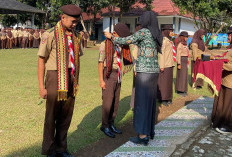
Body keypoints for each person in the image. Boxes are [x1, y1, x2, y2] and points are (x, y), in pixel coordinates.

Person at [105, 11, 163, 145]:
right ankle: (149, 132)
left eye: (141, 19)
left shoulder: (144, 32)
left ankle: (142, 136)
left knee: (142, 104)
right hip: (154, 73)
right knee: (150, 104)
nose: (140, 21)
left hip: (144, 73)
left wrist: (111, 37)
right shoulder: (156, 33)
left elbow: (126, 40)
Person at [38, 4, 82, 157]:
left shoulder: (75, 36)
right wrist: (41, 87)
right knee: (51, 116)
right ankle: (49, 150)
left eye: (77, 21)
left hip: (71, 78)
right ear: (63, 18)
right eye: (73, 21)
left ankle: (61, 148)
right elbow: (41, 60)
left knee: (66, 115)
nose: (75, 24)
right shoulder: (49, 34)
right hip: (54, 77)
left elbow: (77, 57)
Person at [98, 23, 132, 138]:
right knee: (108, 101)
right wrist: (101, 80)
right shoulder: (105, 44)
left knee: (116, 101)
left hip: (118, 74)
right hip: (108, 73)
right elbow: (100, 62)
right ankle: (105, 125)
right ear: (115, 33)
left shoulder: (120, 45)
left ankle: (111, 123)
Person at [211, 27, 232, 134]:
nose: (228, 37)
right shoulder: (229, 47)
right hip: (224, 79)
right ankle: (219, 121)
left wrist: (221, 65)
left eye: (230, 35)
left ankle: (228, 125)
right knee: (222, 102)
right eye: (228, 35)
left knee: (229, 105)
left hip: (230, 82)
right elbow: (222, 56)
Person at [158, 24, 175, 106]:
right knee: (164, 82)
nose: (172, 33)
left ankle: (168, 97)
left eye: (172, 31)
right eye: (171, 31)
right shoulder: (164, 41)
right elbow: (161, 54)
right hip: (165, 65)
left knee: (168, 82)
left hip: (170, 64)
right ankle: (163, 98)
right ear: (167, 31)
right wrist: (161, 66)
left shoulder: (169, 40)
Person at [175, 31, 189, 96]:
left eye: (187, 37)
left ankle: (184, 89)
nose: (187, 38)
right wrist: (179, 63)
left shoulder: (185, 44)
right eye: (186, 37)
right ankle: (180, 90)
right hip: (181, 60)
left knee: (184, 76)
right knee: (181, 76)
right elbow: (178, 54)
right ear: (183, 37)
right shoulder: (180, 44)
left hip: (185, 60)